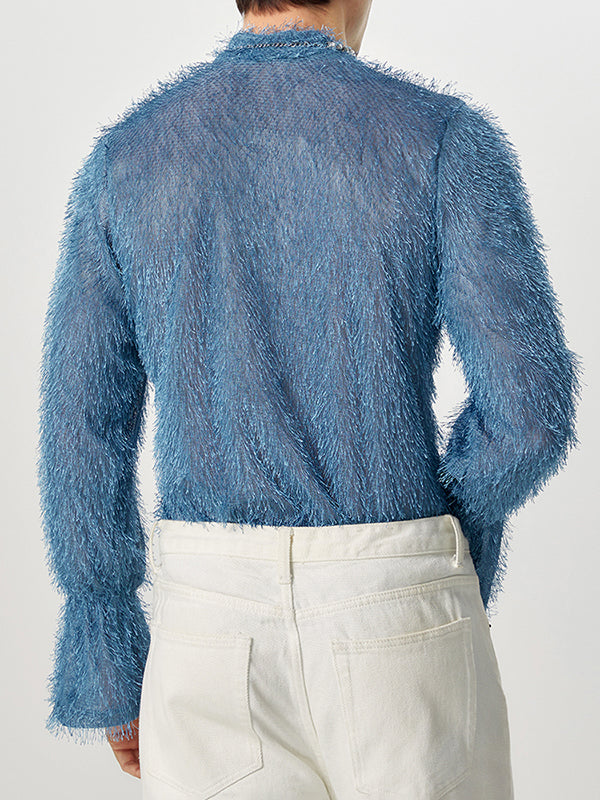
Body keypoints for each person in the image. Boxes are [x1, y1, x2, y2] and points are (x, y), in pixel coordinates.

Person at [37, 0, 582, 796]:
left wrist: (106, 647)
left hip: (209, 626)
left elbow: (81, 427)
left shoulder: (126, 161)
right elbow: (531, 414)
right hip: (397, 615)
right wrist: (438, 541)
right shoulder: (442, 141)